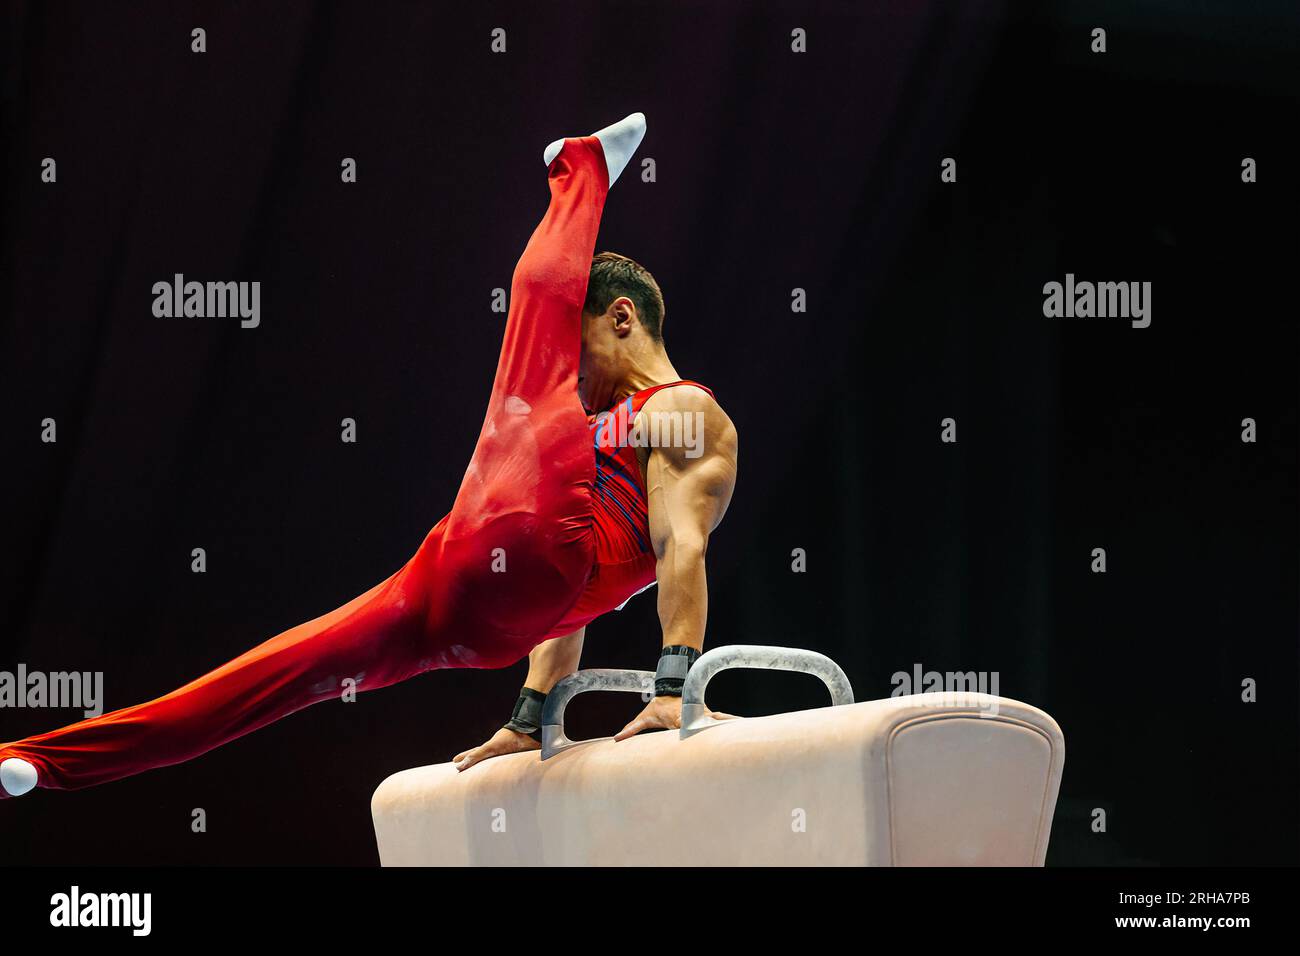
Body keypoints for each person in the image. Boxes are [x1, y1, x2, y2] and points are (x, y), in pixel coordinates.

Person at [0, 112, 739, 798]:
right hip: (462, 582)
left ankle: (582, 169)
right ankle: (42, 761)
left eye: (578, 345)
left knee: (529, 354)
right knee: (277, 674)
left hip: (527, 571)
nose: (572, 371)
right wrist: (531, 717)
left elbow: (682, 546)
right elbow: (560, 601)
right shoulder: (581, 436)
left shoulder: (682, 413)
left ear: (621, 317)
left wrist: (674, 688)